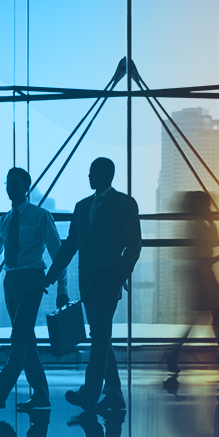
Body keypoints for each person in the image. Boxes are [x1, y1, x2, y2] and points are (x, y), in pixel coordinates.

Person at [43, 157, 142, 413]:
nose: (88, 176)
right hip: (88, 284)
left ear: (106, 175)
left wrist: (120, 276)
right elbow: (69, 246)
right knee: (100, 336)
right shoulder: (82, 206)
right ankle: (114, 394)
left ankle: (90, 393)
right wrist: (51, 276)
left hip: (109, 282)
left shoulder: (123, 203)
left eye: (92, 172)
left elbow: (134, 245)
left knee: (99, 337)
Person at [0, 167, 67, 410]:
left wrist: (62, 287)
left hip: (33, 280)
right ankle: (41, 395)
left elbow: (57, 252)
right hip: (10, 283)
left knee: (19, 335)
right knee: (27, 339)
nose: (10, 187)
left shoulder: (40, 216)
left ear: (26, 186)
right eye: (8, 183)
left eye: (15, 183)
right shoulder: (3, 222)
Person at [163, 191, 219, 376]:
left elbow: (209, 244)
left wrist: (210, 222)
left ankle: (175, 353)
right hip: (201, 273)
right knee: (216, 314)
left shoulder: (195, 223)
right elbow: (211, 243)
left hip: (202, 271)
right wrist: (211, 221)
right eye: (207, 205)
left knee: (210, 315)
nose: (210, 208)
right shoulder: (195, 224)